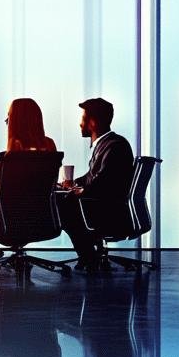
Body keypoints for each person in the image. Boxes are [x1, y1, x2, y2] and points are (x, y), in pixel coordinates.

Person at [0, 97, 58, 264]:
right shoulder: (50, 148)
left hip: (10, 223)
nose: (6, 121)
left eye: (9, 116)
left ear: (16, 121)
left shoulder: (13, 154)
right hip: (42, 221)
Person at [57, 97, 135, 269]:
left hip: (109, 213)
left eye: (83, 119)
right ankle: (87, 254)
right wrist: (71, 184)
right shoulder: (108, 144)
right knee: (64, 198)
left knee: (64, 204)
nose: (80, 124)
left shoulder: (114, 146)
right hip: (108, 207)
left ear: (92, 122)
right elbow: (93, 177)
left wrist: (77, 191)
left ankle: (87, 256)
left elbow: (102, 183)